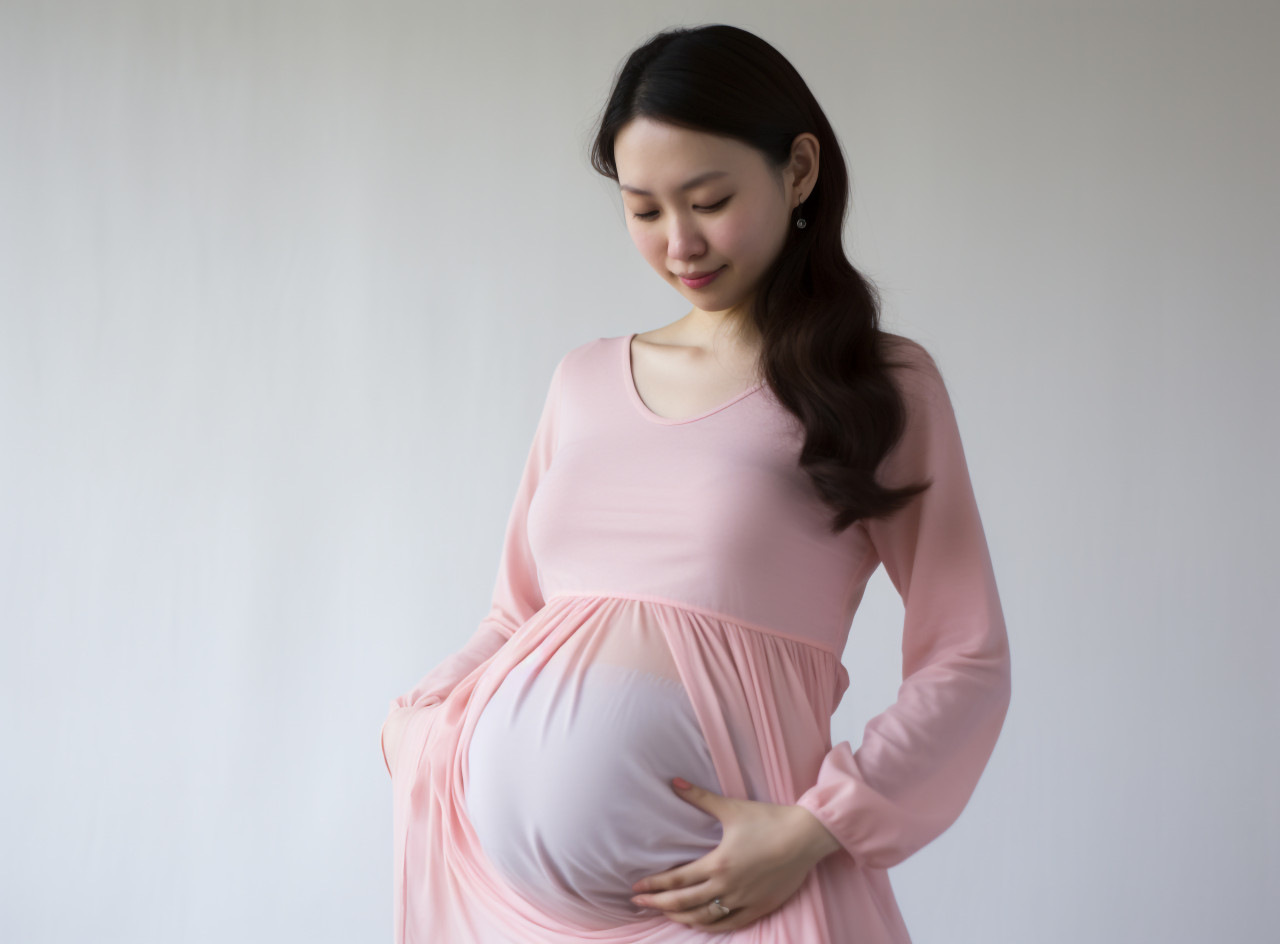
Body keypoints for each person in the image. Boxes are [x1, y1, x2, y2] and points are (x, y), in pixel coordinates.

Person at [381, 23, 1011, 944]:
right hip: (505, 906)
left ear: (798, 171)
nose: (680, 243)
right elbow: (516, 616)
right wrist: (416, 725)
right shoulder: (584, 379)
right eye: (643, 210)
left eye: (709, 200)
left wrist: (819, 825)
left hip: (740, 908)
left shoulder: (877, 386)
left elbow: (967, 657)